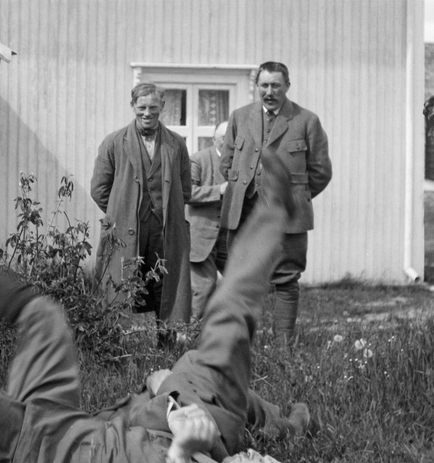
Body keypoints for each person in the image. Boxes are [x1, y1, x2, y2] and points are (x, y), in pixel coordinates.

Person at [0, 147, 307, 463]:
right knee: (46, 316)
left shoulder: (203, 429)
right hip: (75, 423)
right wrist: (291, 422)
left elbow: (186, 446)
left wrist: (187, 446)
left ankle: (272, 213)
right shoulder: (230, 395)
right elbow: (264, 418)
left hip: (55, 450)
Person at [219, 62, 331, 338]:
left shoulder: (307, 121)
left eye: (276, 85)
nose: (269, 92)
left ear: (287, 86)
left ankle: (284, 348)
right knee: (240, 280)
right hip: (243, 214)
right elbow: (227, 164)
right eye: (264, 85)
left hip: (287, 218)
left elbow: (320, 172)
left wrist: (294, 198)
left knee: (286, 280)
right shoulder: (239, 117)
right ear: (257, 86)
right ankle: (239, 347)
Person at [90, 82, 193, 328]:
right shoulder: (114, 142)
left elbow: (185, 188)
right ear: (133, 106)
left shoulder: (176, 144)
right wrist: (123, 211)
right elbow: (99, 189)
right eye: (142, 107)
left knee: (166, 285)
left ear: (163, 107)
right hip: (125, 230)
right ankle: (115, 346)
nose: (147, 113)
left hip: (164, 229)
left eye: (153, 107)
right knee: (119, 285)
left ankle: (166, 345)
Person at [187, 121, 231, 320]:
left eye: (232, 138)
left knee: (241, 282)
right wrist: (218, 191)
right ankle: (190, 331)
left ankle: (230, 330)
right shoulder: (198, 160)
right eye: (224, 138)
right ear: (214, 139)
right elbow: (186, 193)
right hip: (202, 234)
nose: (228, 142)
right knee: (205, 286)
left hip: (231, 235)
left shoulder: (242, 163)